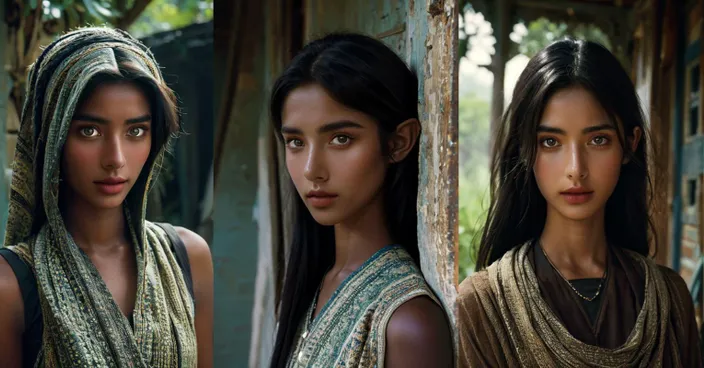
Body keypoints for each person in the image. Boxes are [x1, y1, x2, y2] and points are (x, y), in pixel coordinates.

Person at [0, 27, 213, 367]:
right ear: (52, 138)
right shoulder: (0, 286)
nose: (116, 158)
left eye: (135, 131)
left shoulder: (187, 256)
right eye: (90, 131)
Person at [457, 38, 702, 367]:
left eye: (598, 140)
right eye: (550, 142)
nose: (576, 169)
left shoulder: (669, 299)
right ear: (524, 149)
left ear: (630, 144)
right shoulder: (484, 305)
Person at [267, 33, 454, 368]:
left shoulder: (407, 324)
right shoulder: (314, 283)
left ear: (398, 143)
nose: (312, 170)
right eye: (295, 142)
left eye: (341, 138)